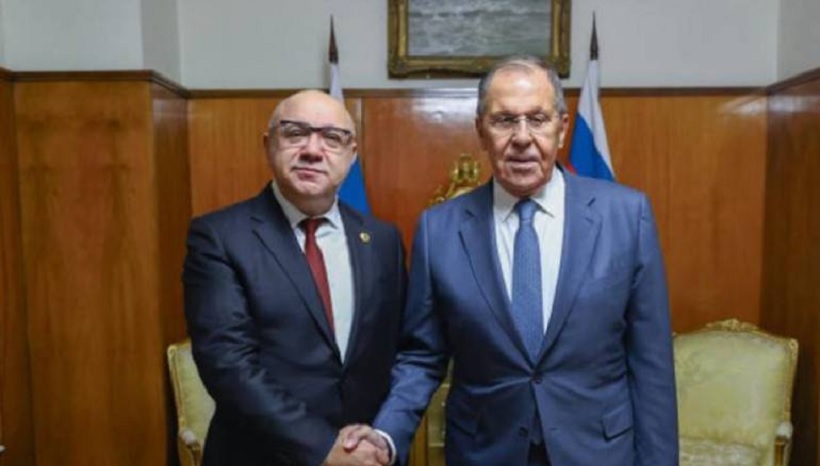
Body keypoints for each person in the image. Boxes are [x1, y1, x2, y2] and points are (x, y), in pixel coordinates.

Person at [349, 56, 678, 465]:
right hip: (485, 452)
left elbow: (650, 364)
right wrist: (385, 435)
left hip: (597, 451)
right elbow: (422, 357)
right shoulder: (439, 229)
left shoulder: (626, 216)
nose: (522, 137)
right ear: (481, 131)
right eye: (504, 120)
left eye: (537, 119)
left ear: (562, 127)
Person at [183, 90, 404, 466]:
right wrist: (323, 448)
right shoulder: (219, 237)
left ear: (351, 155)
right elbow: (228, 364)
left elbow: (395, 350)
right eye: (296, 133)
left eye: (332, 138)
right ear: (268, 144)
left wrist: (377, 439)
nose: (313, 150)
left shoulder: (382, 240)